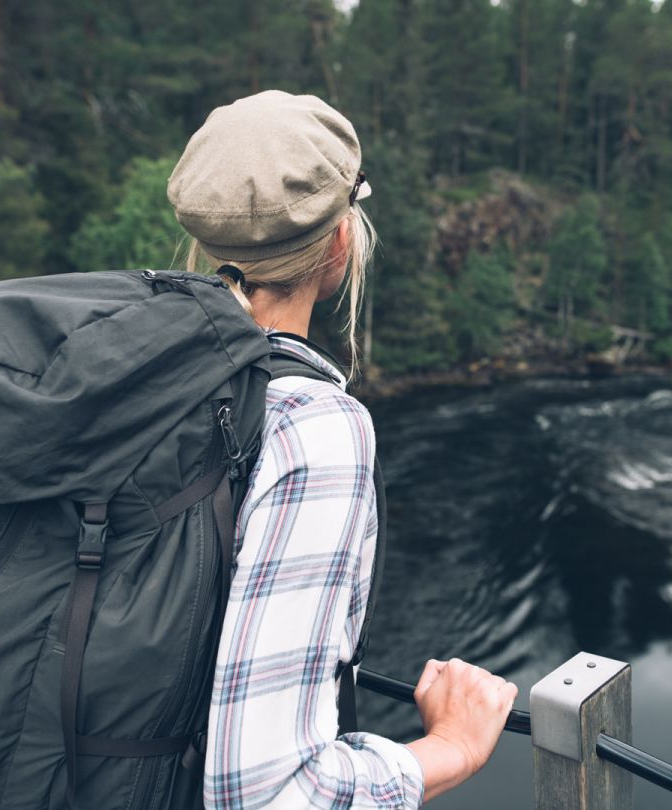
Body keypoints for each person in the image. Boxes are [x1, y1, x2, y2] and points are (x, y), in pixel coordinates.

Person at [167, 90, 517, 808]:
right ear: (337, 245)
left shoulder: (137, 377)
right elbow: (264, 796)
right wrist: (448, 750)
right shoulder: (312, 425)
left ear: (208, 244)